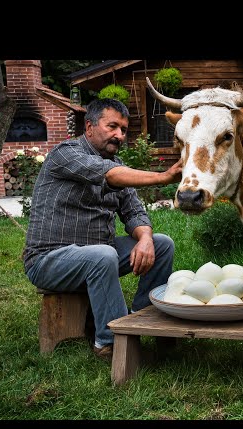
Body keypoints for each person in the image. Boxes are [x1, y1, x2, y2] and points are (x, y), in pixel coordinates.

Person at [23, 98, 183, 358]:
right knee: (103, 255)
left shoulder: (117, 164)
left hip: (99, 255)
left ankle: (146, 319)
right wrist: (163, 176)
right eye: (112, 127)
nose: (119, 135)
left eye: (123, 130)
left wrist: (145, 239)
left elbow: (134, 212)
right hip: (48, 260)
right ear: (89, 127)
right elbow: (107, 174)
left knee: (162, 243)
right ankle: (112, 341)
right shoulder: (66, 153)